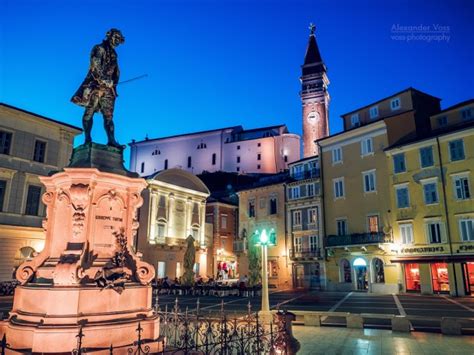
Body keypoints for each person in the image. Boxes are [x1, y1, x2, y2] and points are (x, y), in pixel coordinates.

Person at [71, 29, 125, 148]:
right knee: (89, 112)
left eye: (119, 40)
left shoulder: (114, 54)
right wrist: (104, 80)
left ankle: (111, 140)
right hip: (95, 86)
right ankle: (87, 138)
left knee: (109, 116)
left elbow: (116, 70)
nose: (117, 42)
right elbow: (95, 66)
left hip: (108, 89)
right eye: (116, 38)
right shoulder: (99, 48)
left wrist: (114, 84)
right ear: (109, 37)